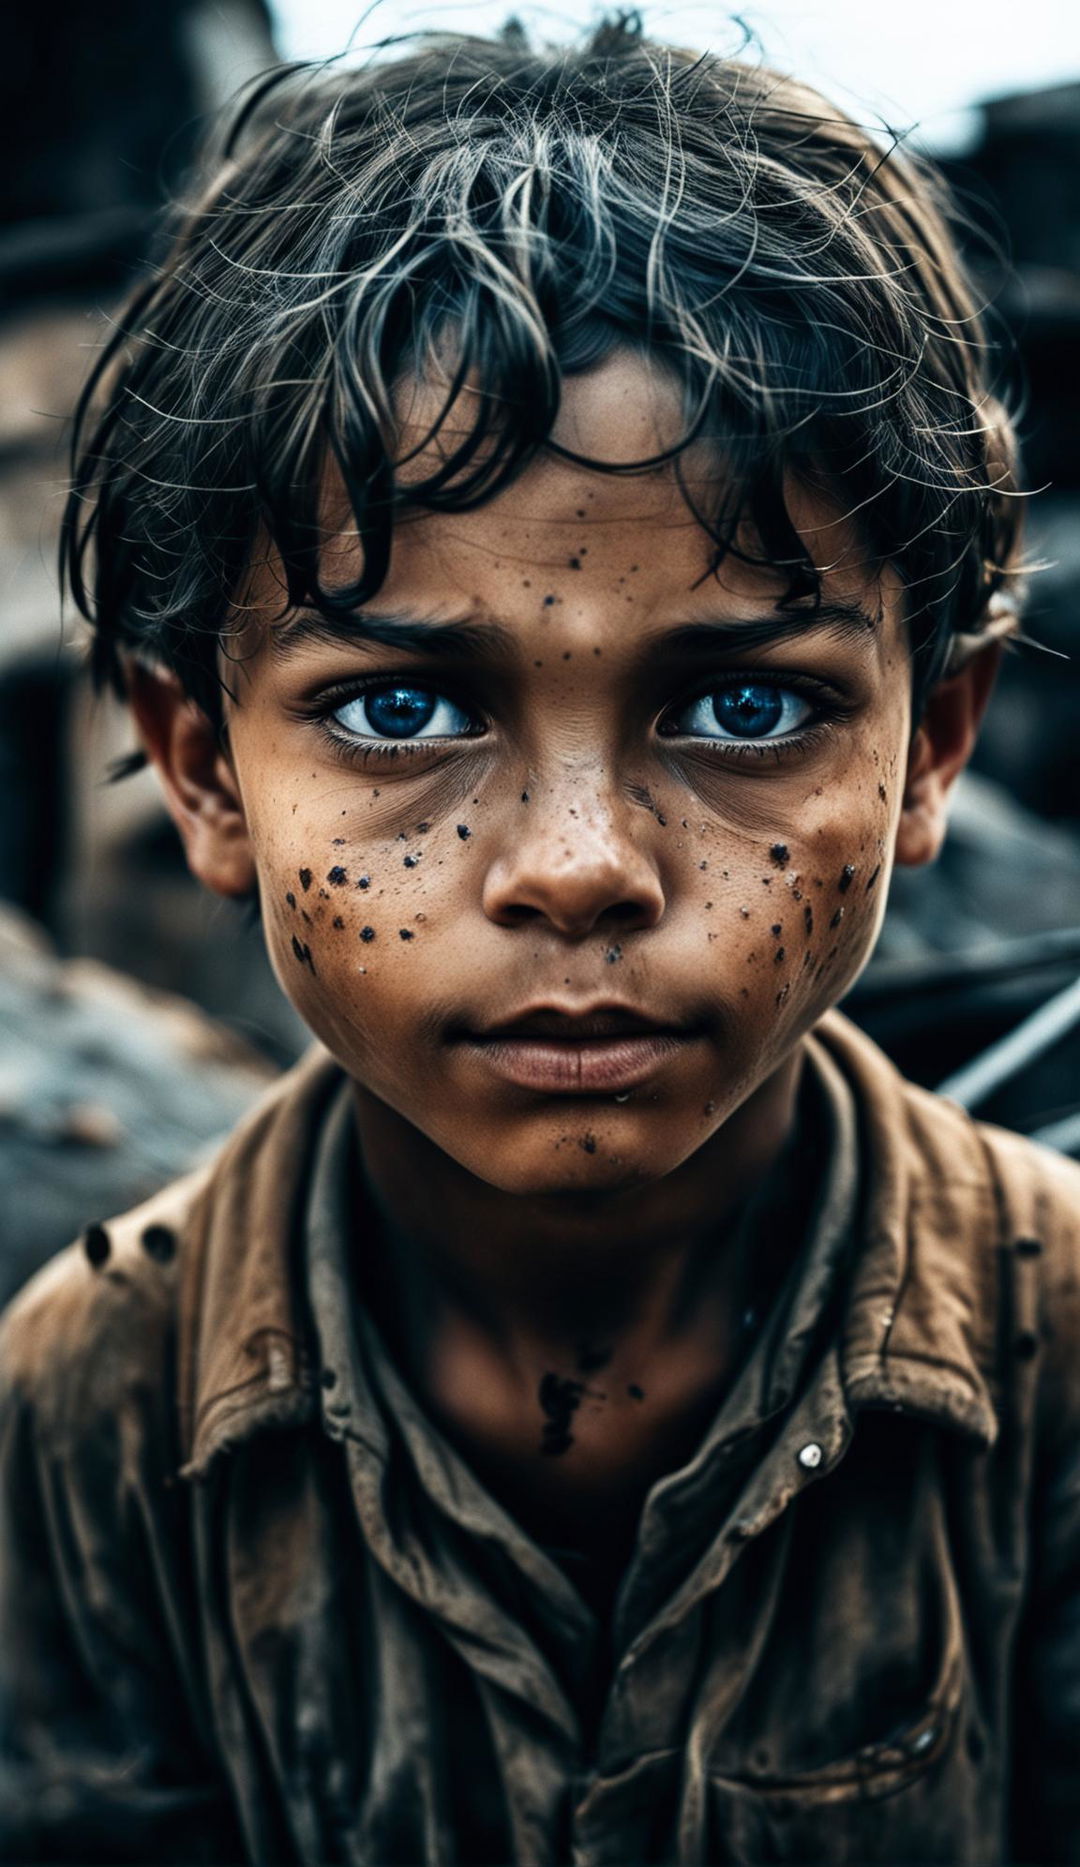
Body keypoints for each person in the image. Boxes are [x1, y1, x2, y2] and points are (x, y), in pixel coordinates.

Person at [2, 18, 1078, 1863]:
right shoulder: (86, 1414)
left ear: (935, 745)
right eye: (403, 715)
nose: (577, 870)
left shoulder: (1060, 1357)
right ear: (202, 770)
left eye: (744, 711)